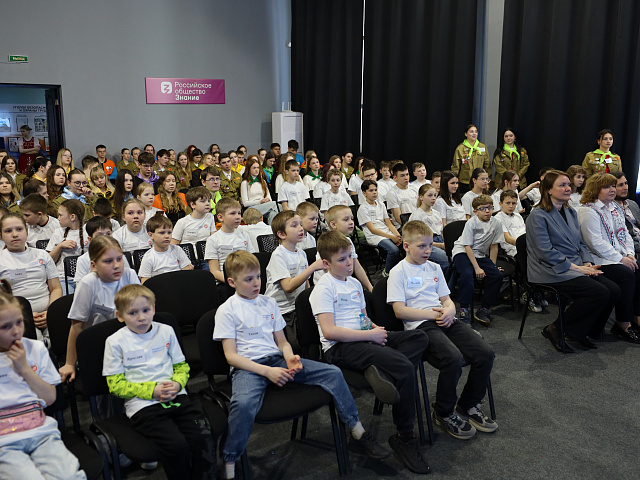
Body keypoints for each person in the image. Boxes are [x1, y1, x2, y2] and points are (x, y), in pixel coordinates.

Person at [214, 251, 387, 480]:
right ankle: (230, 459)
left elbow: (282, 342)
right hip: (249, 368)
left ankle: (357, 430)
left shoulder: (268, 303)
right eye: (248, 279)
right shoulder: (227, 309)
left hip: (277, 360)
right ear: (231, 282)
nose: (256, 283)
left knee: (332, 373)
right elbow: (231, 356)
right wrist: (267, 371)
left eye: (258, 277)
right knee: (243, 404)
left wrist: (289, 357)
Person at [310, 231, 431, 474]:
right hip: (340, 348)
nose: (349, 263)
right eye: (342, 259)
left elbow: (362, 319)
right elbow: (330, 332)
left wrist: (374, 329)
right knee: (404, 367)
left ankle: (383, 374)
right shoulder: (323, 289)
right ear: (325, 263)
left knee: (418, 337)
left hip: (363, 339)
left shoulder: (354, 283)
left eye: (350, 257)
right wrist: (370, 336)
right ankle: (405, 437)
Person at [388, 220, 497, 440]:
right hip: (420, 325)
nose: (427, 250)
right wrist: (435, 314)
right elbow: (400, 311)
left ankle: (468, 404)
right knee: (452, 358)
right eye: (421, 246)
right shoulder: (398, 272)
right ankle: (443, 411)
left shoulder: (434, 267)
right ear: (406, 246)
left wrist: (449, 310)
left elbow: (446, 300)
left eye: (430, 245)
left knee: (485, 353)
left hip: (444, 318)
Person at [103, 284, 217, 479]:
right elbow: (116, 386)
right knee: (176, 446)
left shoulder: (166, 331)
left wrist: (178, 384)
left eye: (146, 310)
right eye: (133, 313)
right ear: (120, 316)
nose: (141, 317)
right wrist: (152, 391)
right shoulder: (115, 342)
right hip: (143, 405)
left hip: (176, 395)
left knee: (203, 437)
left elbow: (181, 366)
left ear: (154, 309)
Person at [0, 281, 86, 480]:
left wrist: (24, 369)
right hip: (5, 442)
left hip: (41, 433)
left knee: (70, 476)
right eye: (5, 327)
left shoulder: (35, 349)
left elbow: (50, 398)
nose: (16, 331)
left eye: (19, 322)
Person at [526, 170, 618, 353]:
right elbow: (545, 252)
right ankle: (555, 328)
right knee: (598, 292)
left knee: (613, 290)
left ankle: (581, 331)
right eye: (562, 185)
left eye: (568, 184)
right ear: (548, 190)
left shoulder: (570, 211)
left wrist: (587, 262)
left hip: (574, 265)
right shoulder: (538, 215)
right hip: (549, 269)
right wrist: (577, 268)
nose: (568, 188)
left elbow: (580, 243)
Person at [59, 235, 140, 382]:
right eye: (108, 261)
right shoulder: (88, 284)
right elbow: (76, 326)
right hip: (98, 345)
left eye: (119, 259)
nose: (116, 265)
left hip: (129, 341)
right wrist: (70, 363)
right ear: (93, 266)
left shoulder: (130, 275)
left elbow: (142, 313)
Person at [576, 172, 640, 343]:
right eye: (606, 187)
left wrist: (629, 254)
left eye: (613, 186)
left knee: (638, 269)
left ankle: (637, 318)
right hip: (597, 260)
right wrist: (621, 259)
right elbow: (595, 242)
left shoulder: (614, 208)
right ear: (595, 189)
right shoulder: (588, 210)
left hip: (617, 256)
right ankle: (622, 324)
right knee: (626, 275)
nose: (612, 190)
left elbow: (625, 234)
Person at [265, 211, 325, 351]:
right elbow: (288, 286)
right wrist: (312, 267)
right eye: (294, 225)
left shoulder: (301, 253)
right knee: (294, 346)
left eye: (301, 224)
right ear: (282, 234)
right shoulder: (278, 255)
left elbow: (306, 284)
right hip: (282, 310)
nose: (300, 228)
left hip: (296, 307)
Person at [0, 213, 62, 345]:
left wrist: (50, 312)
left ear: (27, 231)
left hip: (48, 313)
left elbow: (56, 288)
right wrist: (24, 315)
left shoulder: (42, 255)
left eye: (19, 229)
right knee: (37, 343)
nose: (15, 234)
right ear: (1, 235)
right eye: (8, 231)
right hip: (17, 317)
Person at [451, 195, 504, 326]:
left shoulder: (496, 223)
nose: (487, 211)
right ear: (475, 211)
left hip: (479, 255)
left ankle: (484, 309)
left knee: (497, 275)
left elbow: (494, 246)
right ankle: (464, 310)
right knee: (467, 274)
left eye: (490, 208)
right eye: (483, 209)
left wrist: (492, 266)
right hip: (462, 252)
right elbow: (467, 246)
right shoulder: (471, 223)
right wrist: (477, 268)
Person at [494, 190, 543, 312]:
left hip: (527, 247)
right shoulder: (498, 218)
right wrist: (525, 245)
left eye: (514, 203)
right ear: (500, 203)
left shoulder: (518, 216)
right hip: (512, 250)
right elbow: (508, 238)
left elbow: (526, 233)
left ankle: (538, 292)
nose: (511, 206)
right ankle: (529, 294)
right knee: (528, 264)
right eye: (508, 203)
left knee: (542, 260)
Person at [204, 197, 254, 283]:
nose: (238, 217)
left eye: (239, 213)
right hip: (225, 282)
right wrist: (234, 282)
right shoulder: (213, 239)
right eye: (233, 213)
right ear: (220, 217)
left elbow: (252, 260)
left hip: (246, 279)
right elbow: (214, 271)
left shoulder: (244, 235)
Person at [358, 180, 402, 275]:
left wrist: (397, 235)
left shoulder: (381, 204)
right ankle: (387, 271)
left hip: (386, 232)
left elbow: (389, 224)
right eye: (371, 190)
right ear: (364, 193)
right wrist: (392, 237)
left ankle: (400, 270)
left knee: (405, 244)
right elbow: (372, 229)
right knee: (393, 250)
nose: (374, 192)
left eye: (375, 190)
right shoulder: (363, 208)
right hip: (375, 236)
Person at [46, 199, 87, 295]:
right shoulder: (58, 232)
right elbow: (49, 261)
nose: (58, 218)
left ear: (72, 217)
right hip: (63, 278)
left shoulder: (88, 232)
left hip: (85, 276)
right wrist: (60, 246)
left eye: (60, 215)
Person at [74, 216, 131, 284]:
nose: (105, 238)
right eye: (99, 235)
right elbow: (81, 285)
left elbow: (127, 278)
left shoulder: (120, 256)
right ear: (90, 239)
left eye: (108, 234)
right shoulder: (83, 260)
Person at [139, 214, 193, 282]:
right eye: (162, 233)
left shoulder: (177, 249)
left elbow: (187, 270)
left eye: (169, 232)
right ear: (151, 235)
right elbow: (144, 281)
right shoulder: (148, 257)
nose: (167, 236)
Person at [408, 183, 449, 274]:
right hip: (426, 245)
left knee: (458, 257)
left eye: (435, 195)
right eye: (430, 195)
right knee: (445, 260)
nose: (433, 198)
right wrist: (441, 246)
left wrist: (446, 243)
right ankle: (439, 281)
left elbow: (441, 232)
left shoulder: (436, 213)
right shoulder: (417, 215)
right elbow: (418, 240)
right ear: (421, 197)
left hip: (440, 240)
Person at [451, 124, 490, 191]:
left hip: (480, 181)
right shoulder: (460, 148)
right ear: (466, 134)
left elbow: (487, 166)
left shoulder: (482, 147)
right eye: (471, 132)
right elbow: (456, 167)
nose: (474, 133)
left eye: (476, 131)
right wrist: (455, 181)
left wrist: (487, 180)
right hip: (465, 182)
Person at [240, 156, 277, 223]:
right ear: (249, 169)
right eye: (254, 168)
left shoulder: (263, 181)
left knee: (273, 211)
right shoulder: (244, 183)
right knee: (276, 205)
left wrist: (266, 201)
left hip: (264, 206)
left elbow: (269, 198)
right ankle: (273, 228)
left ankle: (271, 228)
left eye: (258, 168)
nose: (256, 170)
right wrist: (260, 201)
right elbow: (245, 203)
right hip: (251, 209)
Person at [612, 171, 640, 256]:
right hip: (632, 250)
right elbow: (622, 239)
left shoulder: (632, 204)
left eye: (626, 183)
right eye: (620, 185)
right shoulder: (610, 209)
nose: (625, 188)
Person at [386, 163, 418, 228]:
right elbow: (398, 218)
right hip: (403, 227)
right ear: (395, 178)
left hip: (417, 223)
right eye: (402, 176)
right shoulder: (392, 193)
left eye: (407, 174)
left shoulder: (414, 188)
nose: (406, 178)